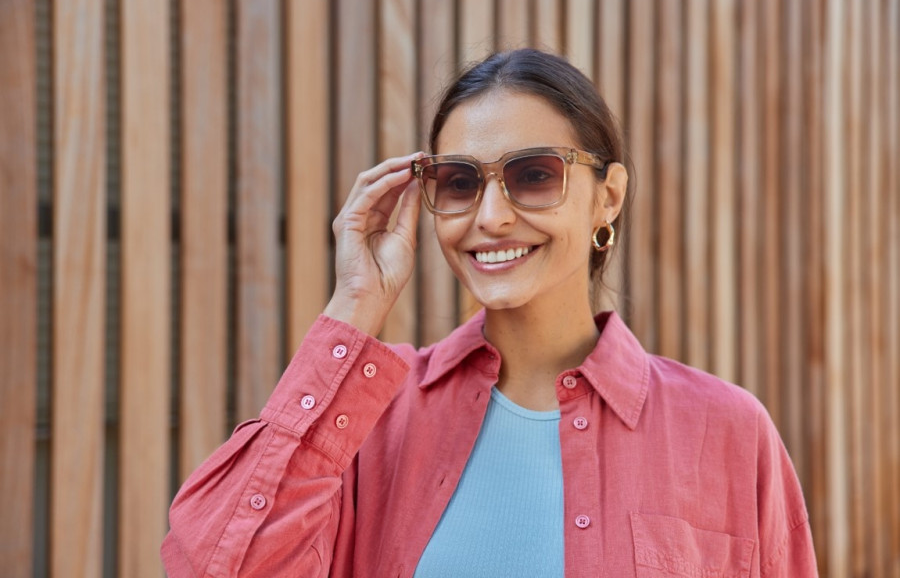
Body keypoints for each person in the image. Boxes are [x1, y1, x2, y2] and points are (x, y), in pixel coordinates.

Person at [161, 48, 816, 577]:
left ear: (607, 198)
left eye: (534, 174)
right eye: (460, 181)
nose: (492, 216)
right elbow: (216, 566)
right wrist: (353, 307)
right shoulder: (366, 422)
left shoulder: (726, 431)